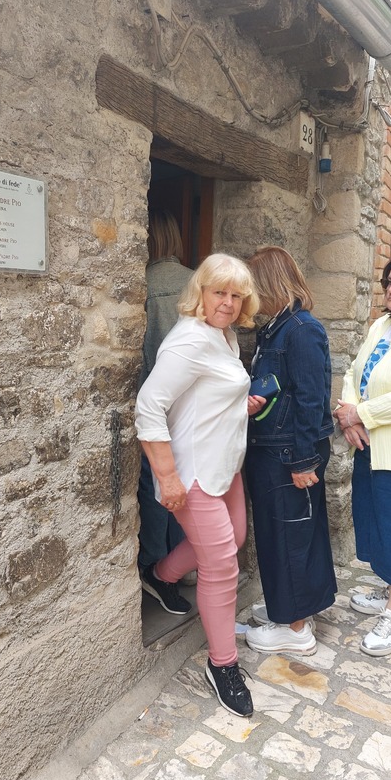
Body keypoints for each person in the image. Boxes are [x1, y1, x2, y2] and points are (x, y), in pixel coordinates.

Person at [135, 253, 264, 717]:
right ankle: (222, 664)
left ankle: (161, 575)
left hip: (224, 465)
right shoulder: (189, 339)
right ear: (201, 293)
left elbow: (203, 394)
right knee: (222, 565)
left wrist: (238, 404)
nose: (228, 302)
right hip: (193, 473)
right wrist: (167, 476)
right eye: (219, 292)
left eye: (236, 295)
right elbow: (149, 406)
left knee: (235, 539)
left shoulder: (223, 335)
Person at [244, 245, 337, 655]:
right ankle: (293, 607)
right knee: (289, 531)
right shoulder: (278, 328)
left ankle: (294, 628)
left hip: (287, 455)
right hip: (278, 450)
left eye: (252, 287)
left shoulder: (300, 329)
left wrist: (302, 460)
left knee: (288, 535)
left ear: (269, 284)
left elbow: (311, 399)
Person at [333, 259, 391, 657]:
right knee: (376, 522)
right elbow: (354, 371)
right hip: (369, 446)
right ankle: (388, 588)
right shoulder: (380, 325)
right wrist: (347, 414)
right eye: (389, 282)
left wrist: (362, 414)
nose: (390, 290)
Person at [137, 210, 194, 610]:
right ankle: (183, 562)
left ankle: (155, 564)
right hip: (193, 405)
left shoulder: (142, 285)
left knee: (155, 482)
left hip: (154, 400)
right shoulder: (199, 284)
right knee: (188, 480)